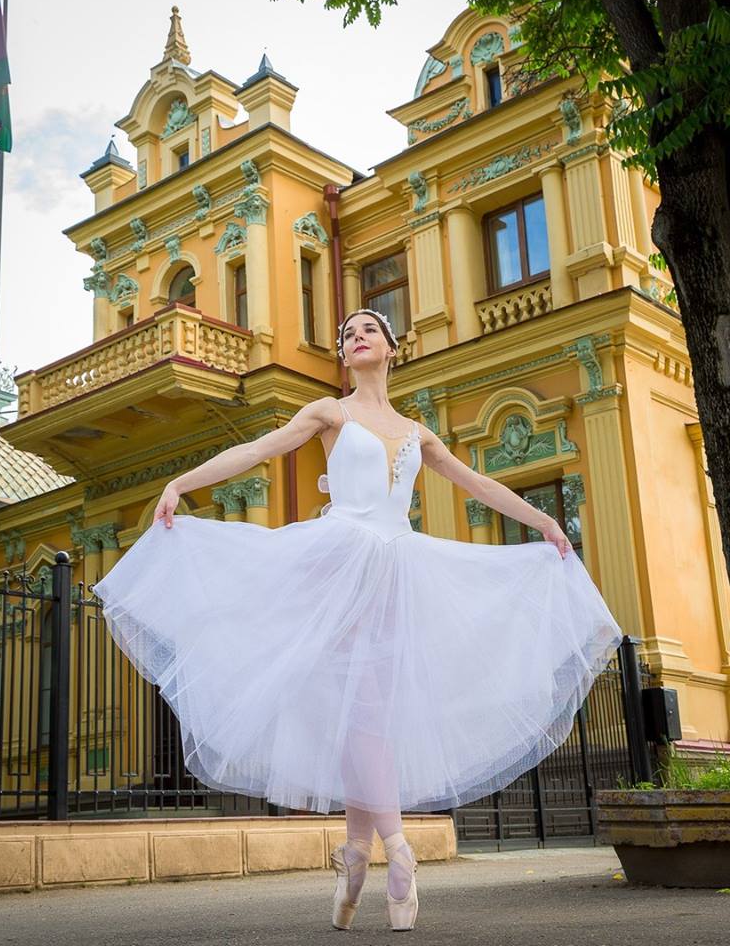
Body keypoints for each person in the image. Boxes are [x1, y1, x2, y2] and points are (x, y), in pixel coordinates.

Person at [92, 308, 623, 932]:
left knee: (367, 713)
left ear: (391, 348)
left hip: (399, 569)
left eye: (368, 329)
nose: (356, 337)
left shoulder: (419, 433)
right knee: (361, 704)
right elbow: (258, 449)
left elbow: (477, 483)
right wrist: (180, 484)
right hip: (340, 563)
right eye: (347, 334)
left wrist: (545, 521)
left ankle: (354, 856)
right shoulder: (330, 413)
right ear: (344, 356)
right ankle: (398, 849)